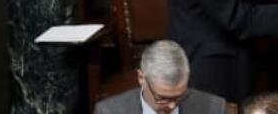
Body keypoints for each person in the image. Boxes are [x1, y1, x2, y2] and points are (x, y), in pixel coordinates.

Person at [94, 39, 225, 114]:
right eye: (162, 98)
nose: (172, 106)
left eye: (180, 96)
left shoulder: (213, 108)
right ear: (141, 78)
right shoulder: (109, 112)